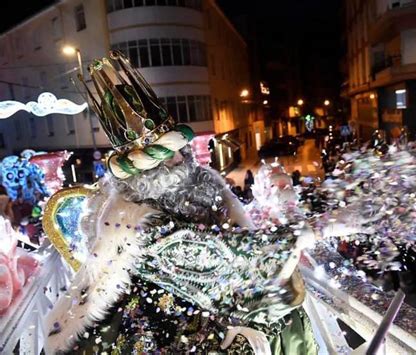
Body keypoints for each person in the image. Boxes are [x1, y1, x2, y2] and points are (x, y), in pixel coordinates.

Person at [43, 52, 318, 354]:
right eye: (163, 155)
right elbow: (208, 253)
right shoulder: (132, 217)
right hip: (168, 311)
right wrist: (290, 242)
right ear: (139, 167)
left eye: (175, 150)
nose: (176, 159)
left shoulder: (204, 183)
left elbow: (229, 234)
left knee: (281, 318)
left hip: (219, 288)